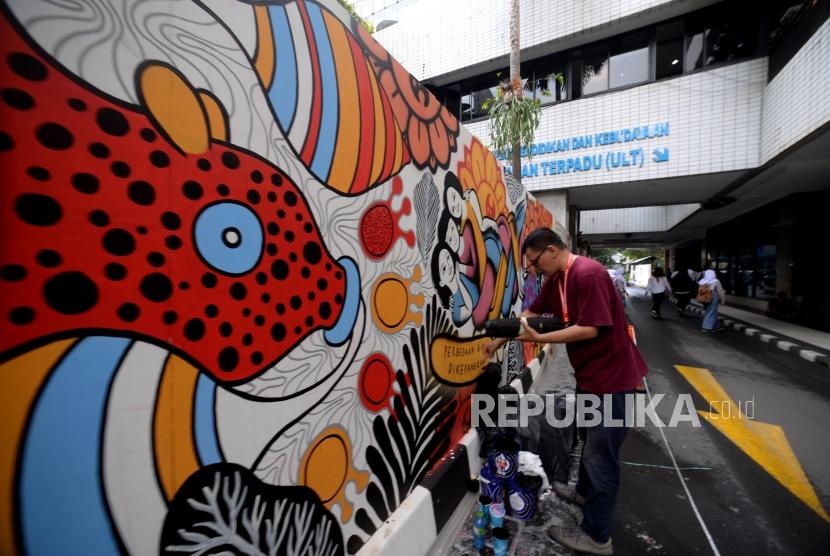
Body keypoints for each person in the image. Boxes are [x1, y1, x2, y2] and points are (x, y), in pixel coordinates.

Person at [485, 228, 647, 555]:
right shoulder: (558, 279)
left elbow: (589, 329)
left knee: (601, 459)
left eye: (533, 262)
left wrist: (539, 340)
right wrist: (500, 338)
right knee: (586, 443)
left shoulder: (588, 275)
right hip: (592, 379)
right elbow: (530, 313)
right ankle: (584, 495)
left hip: (613, 383)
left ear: (551, 251)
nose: (532, 270)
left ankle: (597, 537)